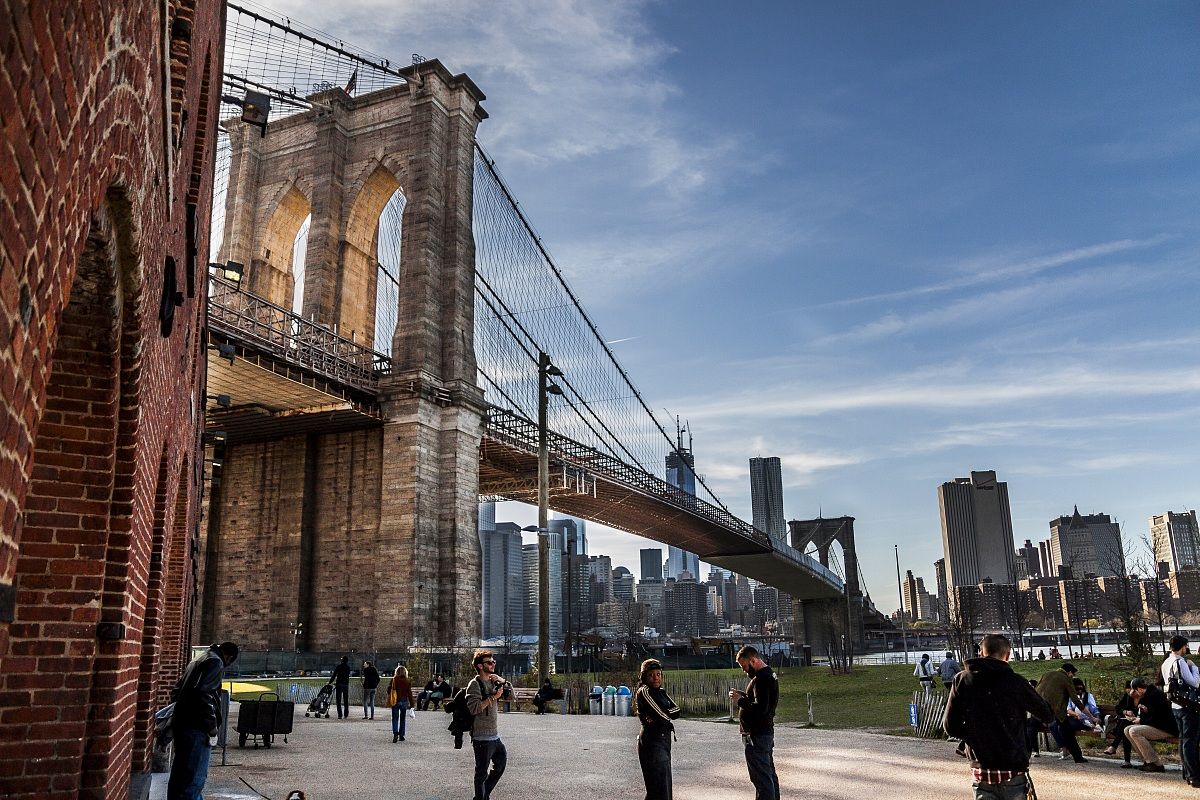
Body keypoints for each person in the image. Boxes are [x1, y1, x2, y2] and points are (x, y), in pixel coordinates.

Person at [943, 634, 1053, 800]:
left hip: (981, 767)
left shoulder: (962, 680)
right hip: (1012, 765)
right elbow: (1047, 714)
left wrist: (974, 735)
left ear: (981, 653)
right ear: (1007, 656)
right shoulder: (1016, 682)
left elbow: (950, 726)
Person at [167, 641, 239, 800]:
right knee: (194, 779)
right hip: (197, 728)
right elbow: (204, 694)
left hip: (183, 724)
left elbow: (177, 691)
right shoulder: (215, 662)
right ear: (229, 657)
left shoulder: (199, 658)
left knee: (180, 776)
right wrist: (212, 726)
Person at [728, 645, 779, 800]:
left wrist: (741, 701)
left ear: (753, 660)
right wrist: (743, 695)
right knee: (768, 775)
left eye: (744, 666)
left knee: (762, 779)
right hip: (764, 733)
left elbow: (761, 709)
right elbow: (762, 702)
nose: (744, 670)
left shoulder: (761, 679)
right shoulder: (768, 674)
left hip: (757, 736)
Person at [635, 658, 681, 800]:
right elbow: (663, 717)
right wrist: (664, 714)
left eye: (658, 674)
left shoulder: (661, 692)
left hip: (664, 740)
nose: (655, 678)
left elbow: (677, 711)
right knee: (658, 788)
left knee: (664, 785)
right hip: (652, 742)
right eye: (651, 675)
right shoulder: (645, 691)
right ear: (644, 676)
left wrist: (661, 715)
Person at [466, 650, 509, 800]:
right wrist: (493, 697)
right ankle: (480, 797)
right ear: (479, 666)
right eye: (489, 662)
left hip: (494, 735)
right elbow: (474, 708)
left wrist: (502, 680)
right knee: (481, 773)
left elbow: (512, 695)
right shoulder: (474, 684)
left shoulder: (493, 681)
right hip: (481, 737)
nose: (493, 664)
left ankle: (484, 794)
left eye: (493, 662)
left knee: (501, 765)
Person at [1162, 635, 1200, 785]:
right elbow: (1194, 682)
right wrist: (1195, 668)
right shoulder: (1180, 661)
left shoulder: (1166, 662)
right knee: (1190, 741)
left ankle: (1187, 774)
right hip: (1187, 706)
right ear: (1182, 646)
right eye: (1186, 646)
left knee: (1183, 740)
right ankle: (1194, 776)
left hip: (1175, 706)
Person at [1036, 662, 1087, 763]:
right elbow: (1075, 699)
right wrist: (1089, 714)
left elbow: (1038, 689)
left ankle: (1069, 752)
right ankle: (1077, 757)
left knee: (1061, 729)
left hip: (1040, 708)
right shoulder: (1066, 679)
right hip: (1057, 711)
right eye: (1073, 674)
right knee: (1067, 731)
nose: (1073, 677)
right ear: (1069, 672)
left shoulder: (1046, 674)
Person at [1125, 676, 1179, 772]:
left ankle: (1155, 764)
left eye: (1135, 691)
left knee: (1134, 731)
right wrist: (1145, 711)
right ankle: (1147, 761)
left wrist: (1140, 720)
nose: (1135, 693)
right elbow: (1153, 715)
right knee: (1127, 730)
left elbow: (1158, 719)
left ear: (1140, 689)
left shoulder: (1155, 695)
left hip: (1166, 729)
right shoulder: (1148, 695)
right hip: (1157, 726)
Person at [1103, 680, 1137, 768]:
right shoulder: (1127, 696)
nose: (1129, 691)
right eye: (1127, 689)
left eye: (1130, 689)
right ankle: (1126, 761)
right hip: (1125, 722)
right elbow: (1118, 708)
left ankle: (1114, 747)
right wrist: (1125, 711)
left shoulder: (1140, 697)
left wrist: (1133, 713)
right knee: (1125, 729)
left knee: (1125, 726)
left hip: (1136, 721)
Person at [385, 664, 416, 742]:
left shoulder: (394, 680)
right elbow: (409, 693)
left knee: (395, 718)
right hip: (404, 701)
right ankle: (401, 735)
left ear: (397, 672)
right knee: (402, 719)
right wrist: (412, 704)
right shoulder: (407, 681)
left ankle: (395, 733)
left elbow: (389, 690)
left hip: (395, 701)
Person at [330, 655, 351, 720]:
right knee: (346, 700)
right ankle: (346, 714)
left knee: (338, 700)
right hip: (346, 685)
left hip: (339, 684)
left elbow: (334, 675)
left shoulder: (339, 667)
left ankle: (340, 715)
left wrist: (330, 682)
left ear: (342, 660)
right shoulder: (348, 667)